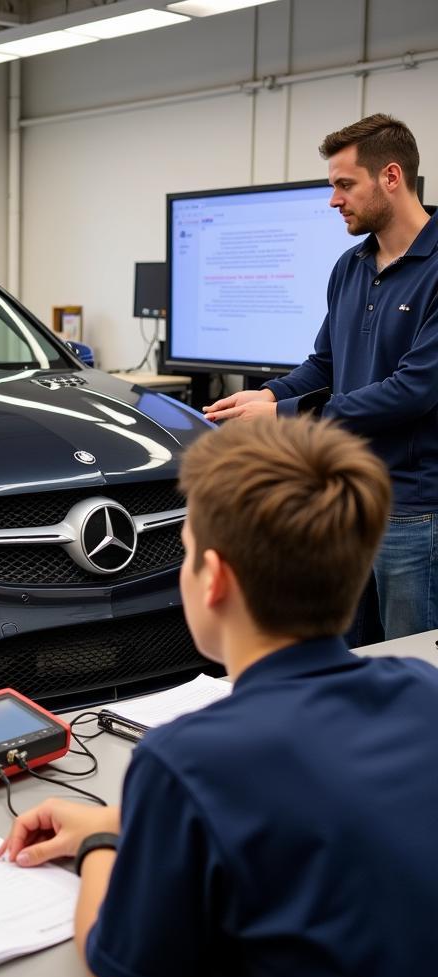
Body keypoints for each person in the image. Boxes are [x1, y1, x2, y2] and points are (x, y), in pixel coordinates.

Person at [0, 417, 438, 977]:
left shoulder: (185, 760)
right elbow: (314, 810)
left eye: (185, 554)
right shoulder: (423, 694)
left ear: (216, 581)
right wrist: (127, 820)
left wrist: (103, 843)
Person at [202, 113, 438, 641]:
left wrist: (284, 414)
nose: (334, 200)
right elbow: (325, 364)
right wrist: (265, 395)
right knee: (348, 661)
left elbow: (415, 389)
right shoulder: (350, 266)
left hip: (413, 515)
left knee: (412, 669)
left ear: (392, 177)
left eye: (344, 185)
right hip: (346, 503)